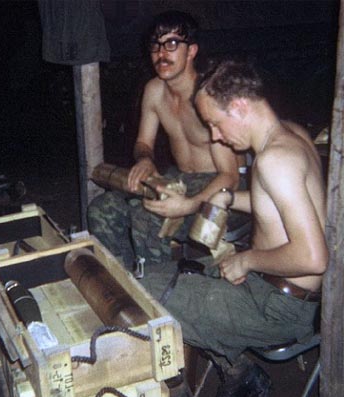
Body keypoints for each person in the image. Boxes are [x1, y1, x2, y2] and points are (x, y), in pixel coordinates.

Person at [140, 59, 328, 397]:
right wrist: (222, 199)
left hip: (278, 308)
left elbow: (314, 258)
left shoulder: (275, 161)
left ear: (240, 106)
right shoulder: (290, 135)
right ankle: (238, 371)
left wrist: (247, 261)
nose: (215, 136)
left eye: (214, 123)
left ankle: (204, 383)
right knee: (157, 276)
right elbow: (275, 205)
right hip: (272, 289)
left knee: (149, 296)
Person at [88, 11, 246, 271]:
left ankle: (159, 296)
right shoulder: (154, 90)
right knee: (102, 208)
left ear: (191, 51)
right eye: (156, 45)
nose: (162, 53)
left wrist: (187, 205)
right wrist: (146, 159)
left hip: (225, 190)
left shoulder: (207, 96)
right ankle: (127, 281)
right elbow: (143, 143)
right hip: (181, 180)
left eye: (172, 44)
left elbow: (229, 176)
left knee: (146, 216)